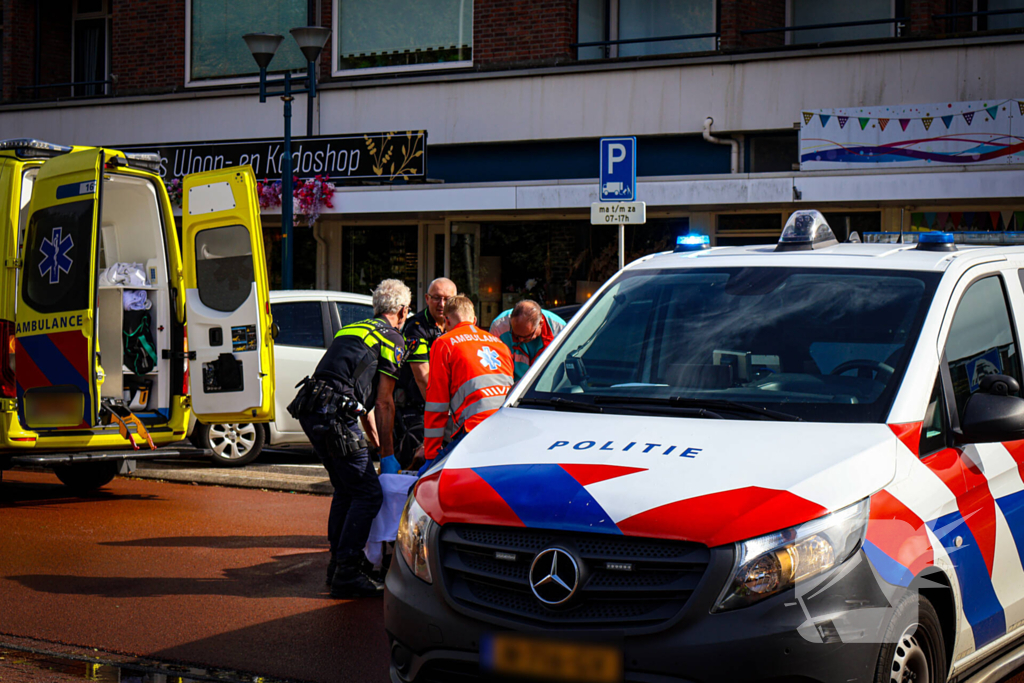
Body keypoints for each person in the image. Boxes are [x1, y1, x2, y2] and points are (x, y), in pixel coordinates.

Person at [290, 279, 410, 598]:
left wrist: (374, 443)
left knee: (347, 489)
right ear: (402, 310)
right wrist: (387, 454)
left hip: (313, 406)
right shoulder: (393, 338)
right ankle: (347, 571)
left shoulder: (351, 329)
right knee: (369, 494)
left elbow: (358, 400)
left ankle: (336, 565)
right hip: (335, 414)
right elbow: (383, 402)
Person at [422, 295, 514, 468]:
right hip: (506, 427)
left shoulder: (444, 343)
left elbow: (437, 403)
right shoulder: (499, 343)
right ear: (474, 320)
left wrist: (431, 455)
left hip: (474, 428)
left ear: (446, 321)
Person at [394, 277, 457, 467]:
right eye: (436, 298)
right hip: (419, 408)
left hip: (444, 407)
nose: (442, 304)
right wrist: (442, 412)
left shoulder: (455, 324)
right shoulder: (416, 328)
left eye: (447, 299)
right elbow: (423, 378)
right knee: (414, 464)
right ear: (427, 298)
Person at [489, 300, 567, 381]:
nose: (521, 340)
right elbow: (495, 368)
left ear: (541, 323)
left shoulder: (560, 330)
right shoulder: (499, 327)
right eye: (516, 336)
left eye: (527, 336)